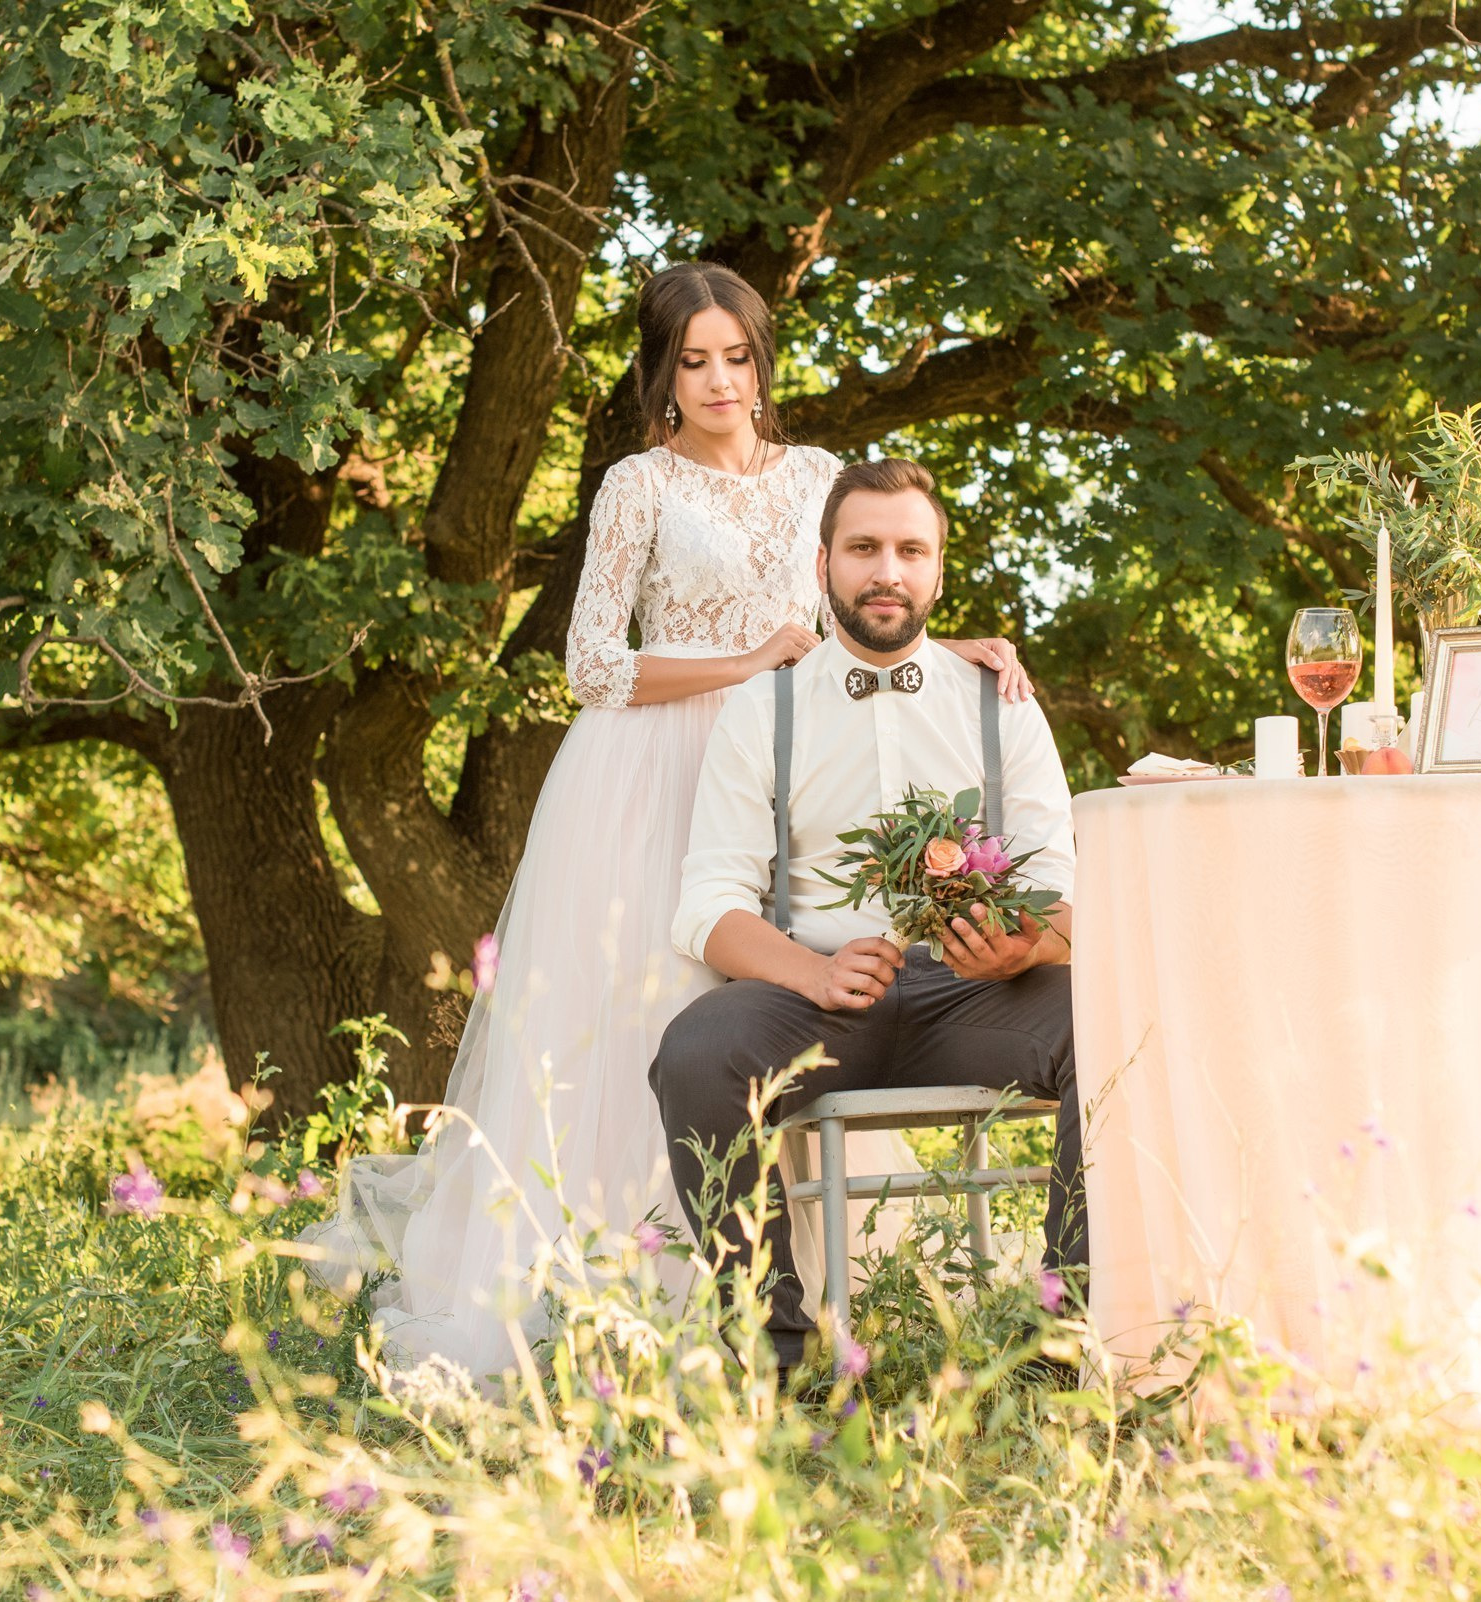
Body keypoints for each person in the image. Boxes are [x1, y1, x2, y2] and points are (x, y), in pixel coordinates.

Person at [301, 264, 1031, 1375]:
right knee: (664, 1014)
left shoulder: (823, 475)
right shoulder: (639, 485)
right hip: (654, 765)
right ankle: (627, 1279)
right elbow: (591, 663)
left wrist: (950, 649)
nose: (719, 380)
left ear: (760, 359)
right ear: (662, 372)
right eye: (693, 361)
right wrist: (745, 663)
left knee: (804, 998)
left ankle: (800, 1280)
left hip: (802, 757)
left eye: (736, 356)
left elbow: (869, 599)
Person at [651, 456, 1082, 1375]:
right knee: (694, 1053)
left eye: (909, 550)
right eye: (863, 548)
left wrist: (1019, 950)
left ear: (936, 572)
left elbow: (1064, 890)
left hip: (975, 1000)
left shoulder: (1001, 704)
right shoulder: (760, 710)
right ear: (822, 567)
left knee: (1116, 1023)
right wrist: (812, 972)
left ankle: (1064, 1333)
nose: (886, 570)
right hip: (810, 1001)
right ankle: (774, 1356)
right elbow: (709, 902)